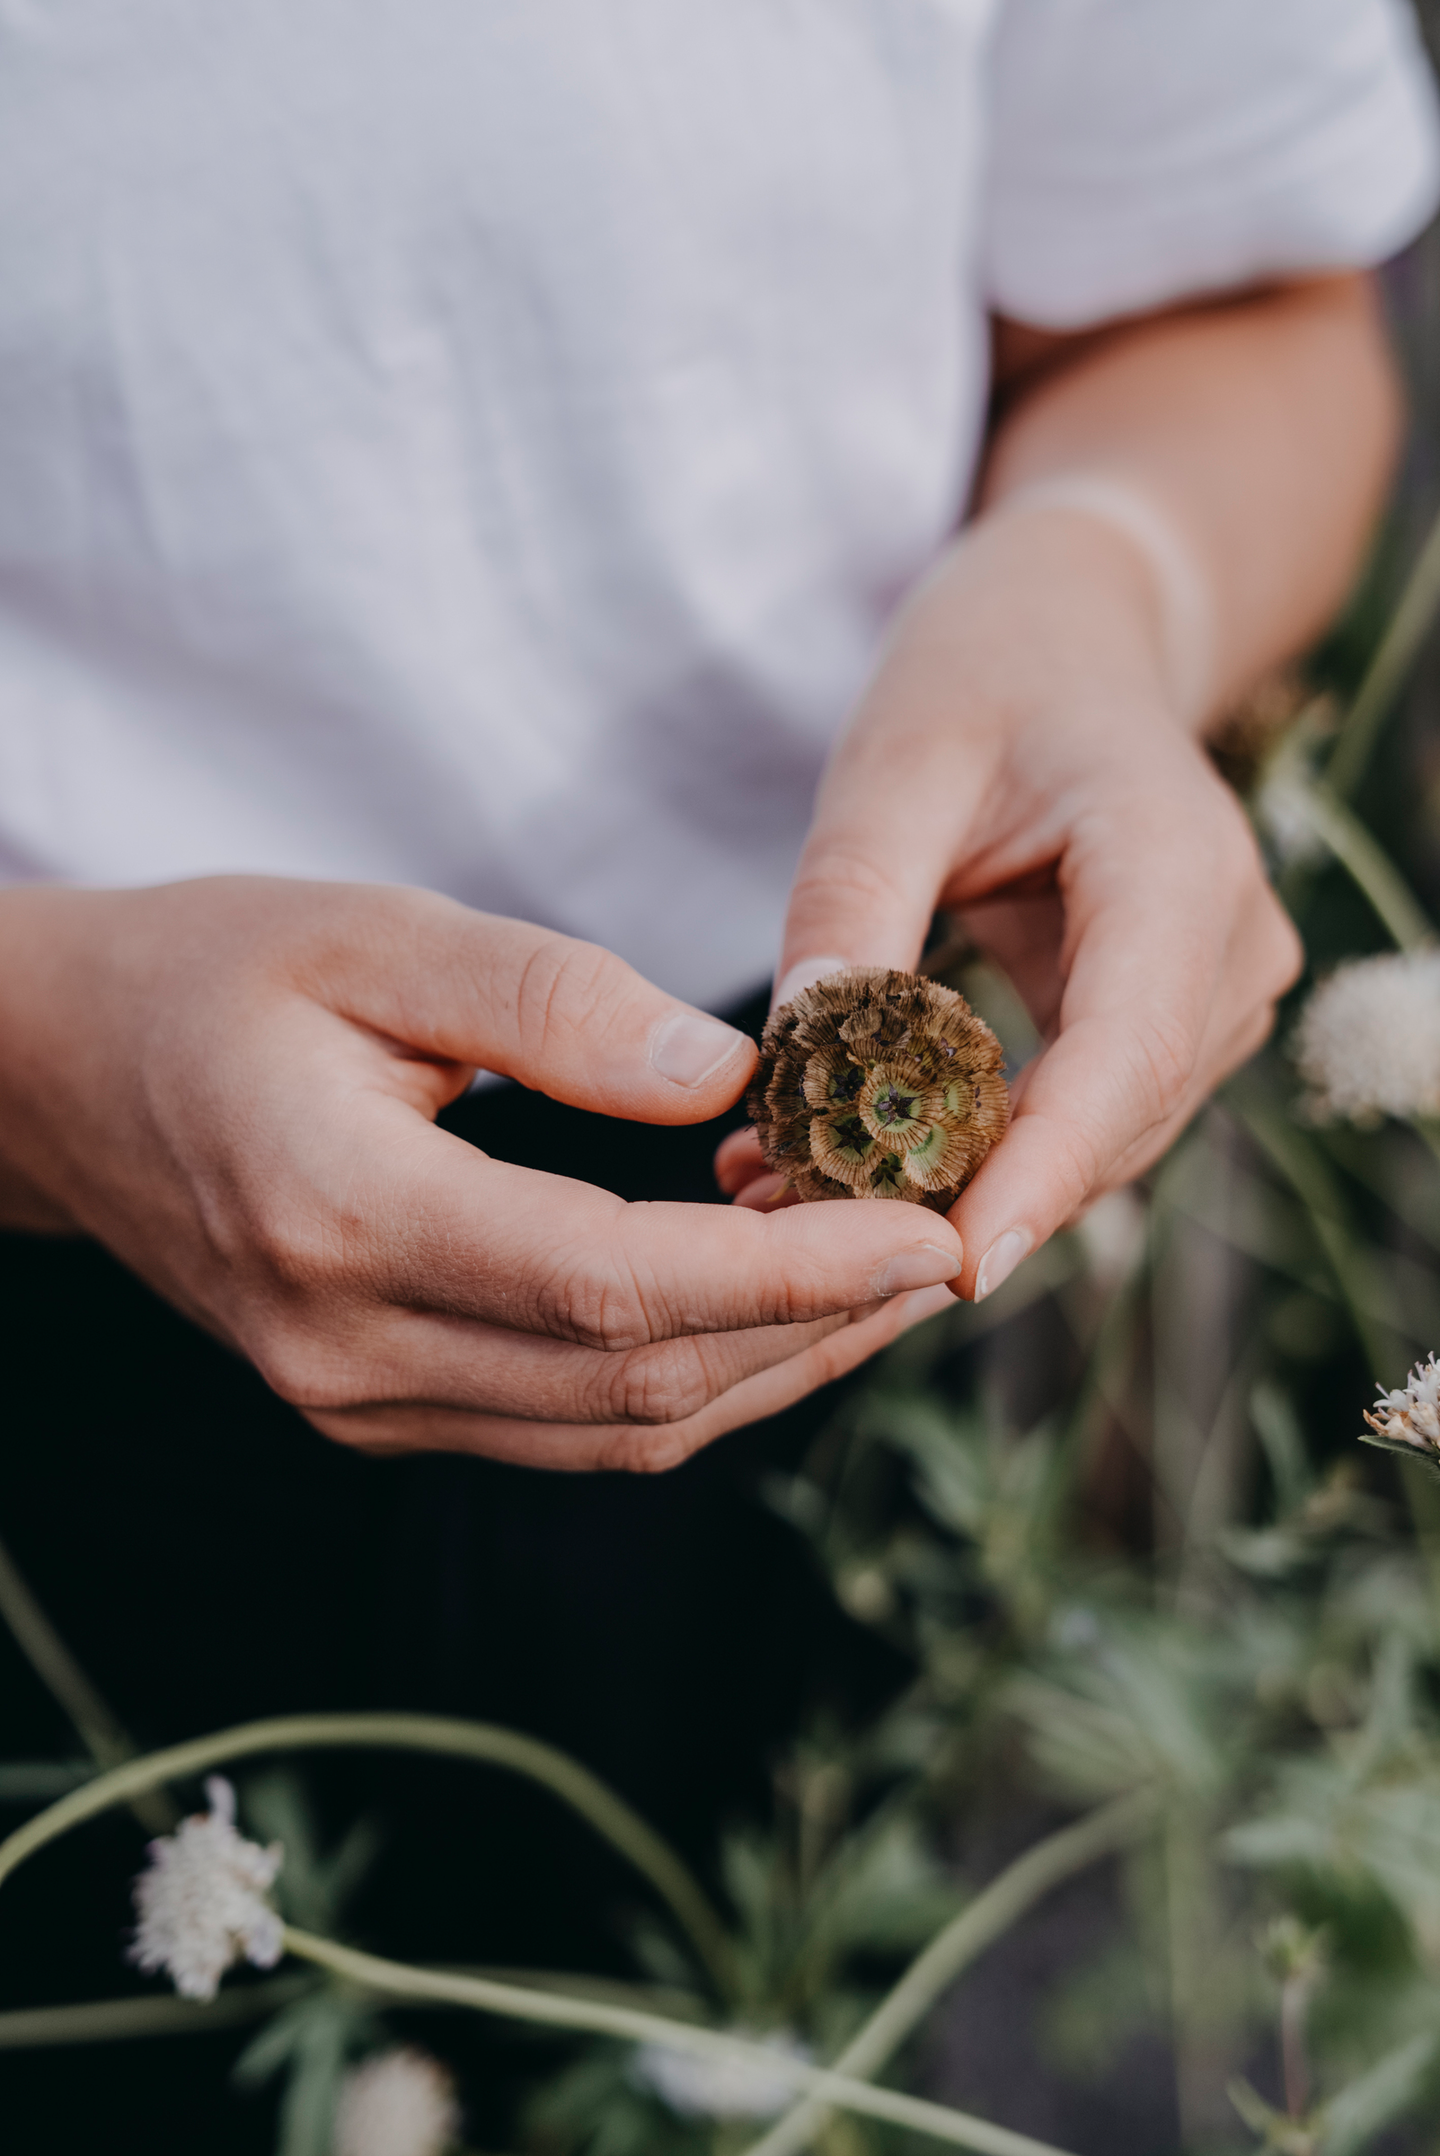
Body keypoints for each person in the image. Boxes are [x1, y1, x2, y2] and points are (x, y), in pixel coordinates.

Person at [0, 0, 1437, 2103]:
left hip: (780, 1296)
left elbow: (1254, 302)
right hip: (63, 1252)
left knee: (735, 2036)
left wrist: (1105, 580)